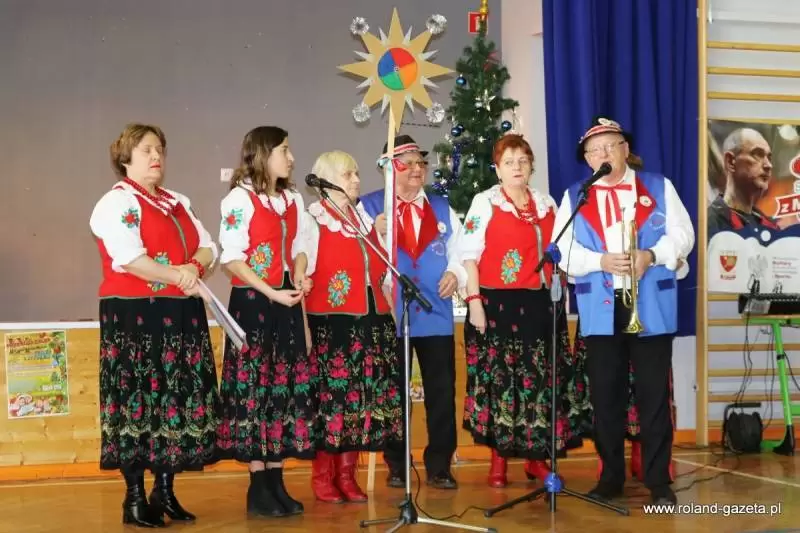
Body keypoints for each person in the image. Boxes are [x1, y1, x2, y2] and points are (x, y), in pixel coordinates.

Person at [552, 116, 694, 505]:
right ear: (587, 159)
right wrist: (599, 261)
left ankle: (659, 481)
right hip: (601, 308)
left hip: (650, 305)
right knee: (606, 398)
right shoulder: (575, 196)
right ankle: (610, 478)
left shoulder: (659, 186)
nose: (603, 154)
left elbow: (684, 235)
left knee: (654, 396)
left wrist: (652, 255)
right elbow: (562, 249)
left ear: (625, 150)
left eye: (610, 146)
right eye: (594, 150)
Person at [89, 123, 221, 527]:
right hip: (135, 316)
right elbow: (129, 258)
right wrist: (180, 274)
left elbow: (209, 246)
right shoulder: (115, 203)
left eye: (159, 149)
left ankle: (164, 492)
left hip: (179, 314)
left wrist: (192, 267)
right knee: (138, 400)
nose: (156, 155)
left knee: (173, 401)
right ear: (125, 156)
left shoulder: (177, 201)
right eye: (147, 149)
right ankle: (133, 499)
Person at [458, 134, 591, 488]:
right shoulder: (484, 202)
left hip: (542, 305)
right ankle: (498, 460)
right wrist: (474, 303)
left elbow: (562, 252)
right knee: (502, 383)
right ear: (497, 169)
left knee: (541, 384)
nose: (517, 167)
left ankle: (536, 459)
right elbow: (468, 256)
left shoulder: (547, 203)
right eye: (509, 162)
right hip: (498, 305)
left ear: (531, 165)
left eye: (523, 160)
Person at [216, 126, 315, 518]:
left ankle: (276, 479)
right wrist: (271, 291)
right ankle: (258, 485)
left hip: (285, 300)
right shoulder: (239, 199)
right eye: (283, 150)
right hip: (253, 303)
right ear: (262, 154)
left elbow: (301, 246)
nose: (291, 158)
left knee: (282, 389)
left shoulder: (293, 198)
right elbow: (232, 258)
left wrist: (300, 275)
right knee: (255, 389)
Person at [359, 134, 465, 490]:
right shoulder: (369, 207)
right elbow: (358, 256)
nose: (418, 169)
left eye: (421, 162)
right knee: (393, 393)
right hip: (393, 315)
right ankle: (397, 463)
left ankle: (440, 465)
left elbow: (461, 250)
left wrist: (456, 273)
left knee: (441, 392)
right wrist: (374, 233)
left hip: (436, 311)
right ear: (389, 169)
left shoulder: (442, 207)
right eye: (408, 164)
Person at [304, 150, 403, 503]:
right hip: (333, 324)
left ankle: (347, 476)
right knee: (332, 402)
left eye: (357, 173)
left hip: (370, 322)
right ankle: (323, 477)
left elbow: (380, 269)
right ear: (328, 181)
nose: (357, 180)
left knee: (359, 404)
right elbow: (303, 273)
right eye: (349, 174)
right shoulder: (313, 221)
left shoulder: (362, 218)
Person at [707, 127, 778, 238]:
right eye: (757, 154)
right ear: (730, 161)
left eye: (769, 157)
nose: (768, 165)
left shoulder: (772, 227)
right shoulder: (709, 223)